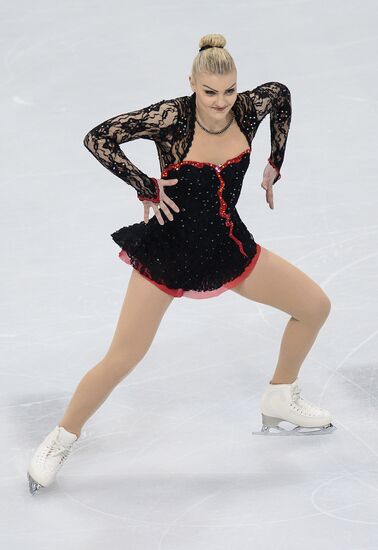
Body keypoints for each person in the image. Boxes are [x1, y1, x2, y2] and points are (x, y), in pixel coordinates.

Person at [27, 33, 336, 496]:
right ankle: (60, 438)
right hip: (168, 255)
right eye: (210, 91)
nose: (220, 101)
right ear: (192, 83)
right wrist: (144, 185)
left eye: (229, 90)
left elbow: (282, 95)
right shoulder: (171, 118)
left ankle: (280, 395)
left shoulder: (249, 109)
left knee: (314, 306)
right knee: (123, 357)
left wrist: (275, 161)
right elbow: (99, 138)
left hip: (228, 247)